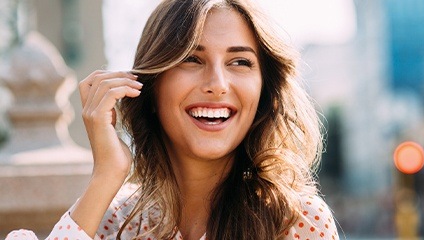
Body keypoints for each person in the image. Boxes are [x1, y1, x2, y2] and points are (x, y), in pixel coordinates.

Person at [6, 0, 339, 239]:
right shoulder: (112, 222)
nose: (218, 85)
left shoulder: (297, 223)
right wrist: (106, 175)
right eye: (192, 59)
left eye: (240, 62)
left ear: (264, 92)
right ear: (151, 85)